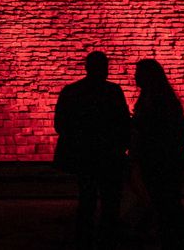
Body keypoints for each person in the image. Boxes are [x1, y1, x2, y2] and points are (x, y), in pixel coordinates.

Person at [54, 51, 131, 249]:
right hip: (109, 155)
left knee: (86, 199)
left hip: (83, 155)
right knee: (110, 201)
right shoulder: (113, 91)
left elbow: (60, 125)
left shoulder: (71, 91)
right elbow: (124, 123)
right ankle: (108, 239)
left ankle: (84, 239)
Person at [131, 59, 184, 249]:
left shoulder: (155, 100)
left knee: (165, 201)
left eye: (138, 73)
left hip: (159, 157)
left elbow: (153, 129)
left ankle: (172, 240)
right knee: (167, 200)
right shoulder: (161, 97)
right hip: (165, 156)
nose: (135, 78)